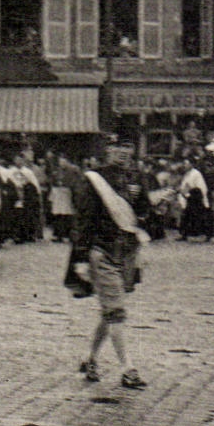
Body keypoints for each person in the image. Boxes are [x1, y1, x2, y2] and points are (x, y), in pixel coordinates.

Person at [65, 158, 150, 390]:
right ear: (108, 149)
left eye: (127, 146)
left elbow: (143, 215)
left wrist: (153, 210)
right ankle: (127, 369)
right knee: (116, 310)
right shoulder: (94, 179)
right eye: (116, 146)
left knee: (109, 311)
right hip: (102, 251)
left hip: (127, 253)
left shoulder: (137, 177)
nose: (122, 152)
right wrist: (81, 257)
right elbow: (83, 220)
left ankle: (90, 359)